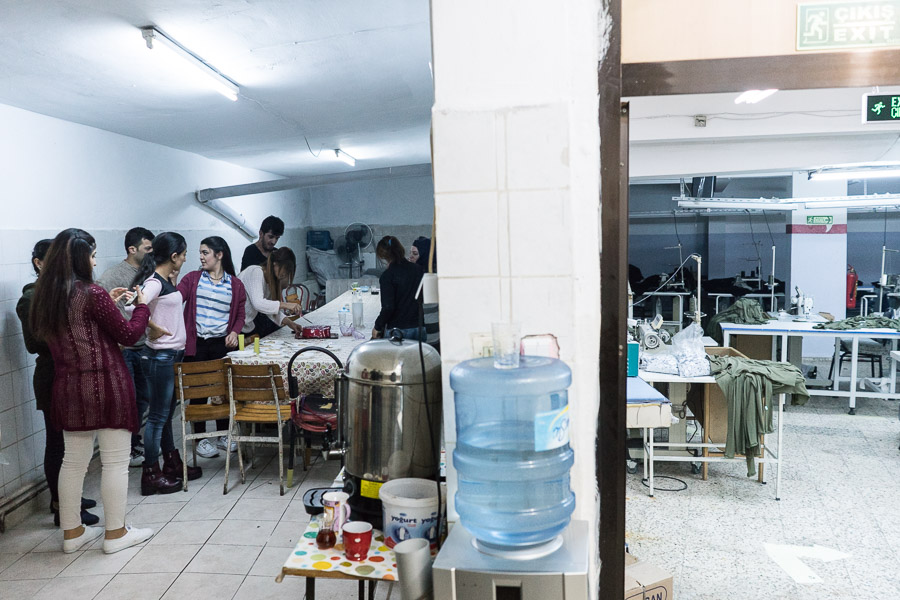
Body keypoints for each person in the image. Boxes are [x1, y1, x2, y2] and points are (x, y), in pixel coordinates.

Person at [29, 228, 153, 554]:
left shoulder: (47, 296)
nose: (95, 261)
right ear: (80, 257)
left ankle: (72, 533)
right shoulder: (90, 292)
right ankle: (115, 534)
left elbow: (77, 325)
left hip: (68, 389)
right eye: (93, 255)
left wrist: (107, 303)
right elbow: (128, 334)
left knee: (72, 463)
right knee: (114, 463)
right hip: (106, 384)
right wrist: (141, 306)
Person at [16, 240, 99, 528]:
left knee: (72, 443)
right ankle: (62, 506)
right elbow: (33, 342)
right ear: (39, 263)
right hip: (52, 376)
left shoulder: (65, 292)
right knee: (58, 444)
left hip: (72, 373)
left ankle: (69, 497)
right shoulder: (31, 297)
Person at [129, 231, 200, 495]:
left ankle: (171, 463)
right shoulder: (155, 282)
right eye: (183, 255)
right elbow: (133, 306)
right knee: (157, 417)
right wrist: (151, 326)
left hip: (170, 355)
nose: (184, 259)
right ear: (174, 256)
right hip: (159, 356)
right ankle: (151, 474)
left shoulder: (163, 280)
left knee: (166, 414)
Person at [177, 236, 247, 457]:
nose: (201, 256)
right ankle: (199, 439)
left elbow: (240, 313)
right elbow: (175, 298)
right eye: (200, 252)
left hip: (221, 345)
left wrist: (235, 331)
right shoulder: (193, 279)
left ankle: (223, 436)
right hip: (196, 344)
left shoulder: (235, 284)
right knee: (198, 392)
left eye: (205, 252)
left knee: (222, 391)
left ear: (219, 254)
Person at [98, 227, 155, 468]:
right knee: (128, 401)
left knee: (143, 398)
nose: (152, 252)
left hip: (143, 345)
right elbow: (103, 310)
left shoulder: (149, 273)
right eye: (147, 248)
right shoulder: (112, 276)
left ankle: (135, 441)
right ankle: (128, 449)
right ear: (132, 250)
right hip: (124, 348)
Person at [239, 247, 303, 338]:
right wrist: (286, 305)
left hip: (245, 325)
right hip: (234, 327)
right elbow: (259, 304)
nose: (285, 274)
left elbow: (270, 310)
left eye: (288, 271)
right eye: (285, 268)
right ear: (275, 264)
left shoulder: (270, 282)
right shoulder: (256, 272)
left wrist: (290, 323)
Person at [372, 236, 424, 340]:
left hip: (398, 331)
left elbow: (388, 307)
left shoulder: (388, 276)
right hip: (419, 328)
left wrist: (377, 326)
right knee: (417, 357)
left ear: (383, 256)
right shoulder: (418, 269)